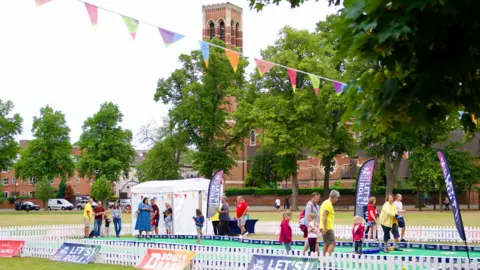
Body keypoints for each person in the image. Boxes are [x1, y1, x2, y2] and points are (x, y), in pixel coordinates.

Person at [320, 190, 340, 256]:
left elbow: (320, 215)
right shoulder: (328, 204)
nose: (337, 200)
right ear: (333, 197)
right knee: (332, 243)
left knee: (326, 243)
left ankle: (323, 258)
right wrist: (325, 228)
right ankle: (327, 259)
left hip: (323, 226)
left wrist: (322, 226)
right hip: (327, 227)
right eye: (336, 198)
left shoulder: (324, 202)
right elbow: (324, 215)